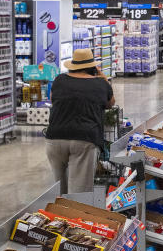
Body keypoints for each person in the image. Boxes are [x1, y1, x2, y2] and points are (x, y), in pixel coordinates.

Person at [44, 49, 115, 194]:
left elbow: (53, 99)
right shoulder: (100, 85)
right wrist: (103, 78)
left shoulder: (59, 80)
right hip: (84, 140)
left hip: (55, 138)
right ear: (93, 67)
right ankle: (74, 215)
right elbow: (110, 103)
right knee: (79, 192)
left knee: (58, 188)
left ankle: (58, 214)